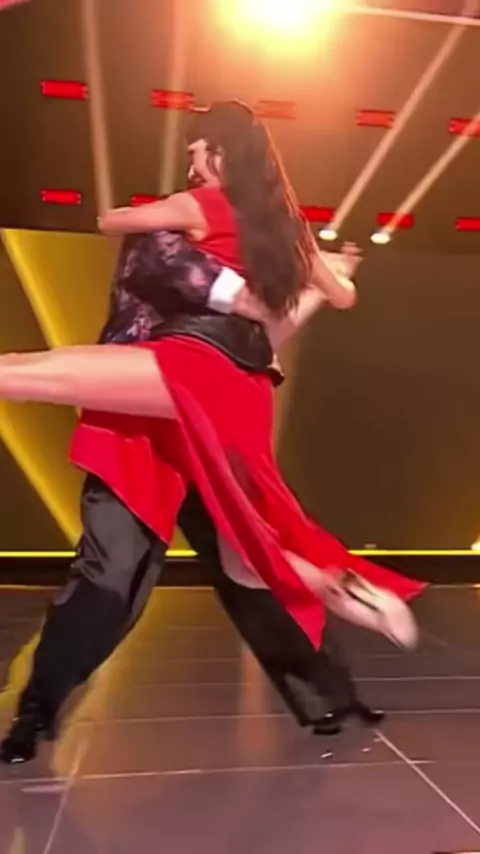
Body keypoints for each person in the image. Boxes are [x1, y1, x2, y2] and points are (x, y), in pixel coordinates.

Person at [0, 100, 425, 759]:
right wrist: (310, 280)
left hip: (189, 396)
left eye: (200, 149)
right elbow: (201, 283)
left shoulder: (205, 218)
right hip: (152, 419)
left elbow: (150, 244)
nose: (191, 161)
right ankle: (38, 710)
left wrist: (283, 286)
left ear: (222, 154)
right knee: (127, 576)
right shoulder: (236, 232)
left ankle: (329, 694)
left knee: (248, 566)